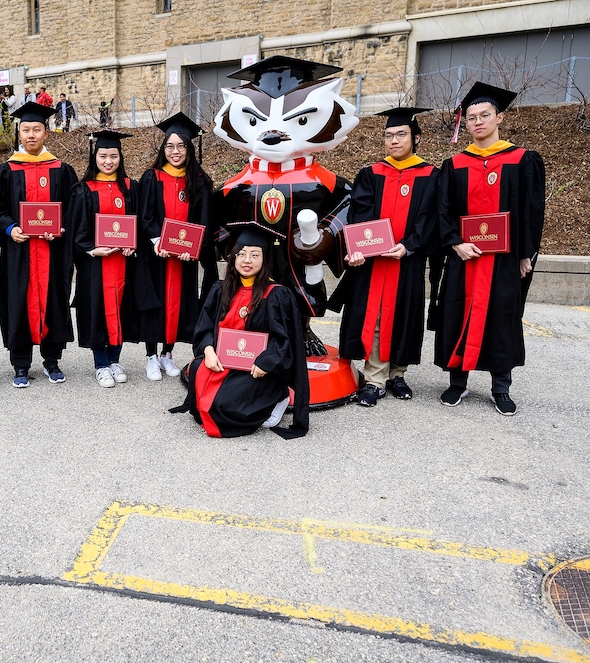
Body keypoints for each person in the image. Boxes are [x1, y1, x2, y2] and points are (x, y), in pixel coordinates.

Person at [433, 82, 545, 415]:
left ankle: (501, 387)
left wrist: (527, 253)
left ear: (500, 118)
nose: (478, 122)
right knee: (457, 313)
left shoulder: (522, 160)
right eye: (471, 117)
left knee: (501, 317)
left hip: (505, 259)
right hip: (464, 257)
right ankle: (457, 383)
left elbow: (531, 210)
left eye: (485, 115)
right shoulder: (454, 166)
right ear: (464, 123)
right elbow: (443, 211)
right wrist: (454, 242)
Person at [334, 107, 439, 406]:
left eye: (401, 134)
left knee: (405, 314)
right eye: (389, 135)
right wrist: (356, 249)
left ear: (415, 137)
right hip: (375, 262)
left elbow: (430, 218)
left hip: (408, 258)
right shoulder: (371, 174)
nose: (394, 140)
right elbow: (358, 217)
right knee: (377, 314)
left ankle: (397, 373)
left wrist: (409, 245)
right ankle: (375, 377)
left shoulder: (431, 175)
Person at [171, 227, 309, 438]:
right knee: (199, 376)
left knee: (224, 404)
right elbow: (205, 327)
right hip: (222, 360)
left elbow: (285, 340)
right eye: (241, 254)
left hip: (255, 366)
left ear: (264, 259)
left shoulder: (276, 295)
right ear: (233, 258)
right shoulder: (220, 289)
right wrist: (208, 351)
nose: (247, 260)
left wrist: (266, 362)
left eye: (255, 255)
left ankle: (278, 396)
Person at [0, 101, 78, 387]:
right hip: (20, 252)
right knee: (18, 301)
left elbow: (72, 207)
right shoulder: (7, 171)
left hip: (53, 252)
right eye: (26, 130)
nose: (31, 135)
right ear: (19, 134)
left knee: (54, 299)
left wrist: (61, 226)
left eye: (36, 129)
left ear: (46, 133)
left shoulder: (62, 170)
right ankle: (20, 365)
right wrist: (10, 228)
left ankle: (52, 361)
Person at [136, 112, 214, 382]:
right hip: (157, 255)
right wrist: (158, 240)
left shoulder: (200, 181)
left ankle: (168, 354)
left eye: (181, 145)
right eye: (170, 146)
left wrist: (193, 248)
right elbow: (144, 216)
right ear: (163, 148)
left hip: (183, 257)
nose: (175, 151)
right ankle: (151, 357)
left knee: (179, 305)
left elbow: (204, 220)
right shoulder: (152, 178)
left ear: (190, 148)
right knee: (154, 303)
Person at [71, 130, 143, 387]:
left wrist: (131, 246)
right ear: (95, 157)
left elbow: (137, 226)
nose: (108, 161)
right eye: (103, 156)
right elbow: (78, 230)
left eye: (113, 156)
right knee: (98, 311)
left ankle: (115, 359)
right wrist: (92, 249)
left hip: (124, 264)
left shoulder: (131, 188)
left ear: (120, 157)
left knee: (121, 311)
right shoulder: (84, 190)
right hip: (96, 265)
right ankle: (101, 364)